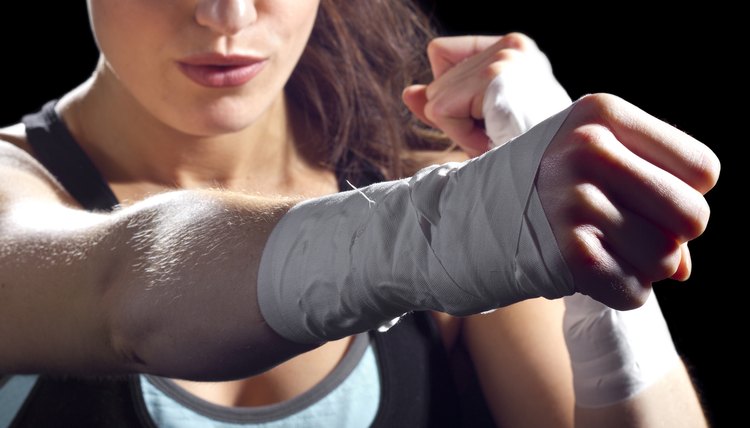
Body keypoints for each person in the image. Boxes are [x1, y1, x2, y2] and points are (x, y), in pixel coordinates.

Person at [0, 1, 719, 427]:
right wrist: (449, 226)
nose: (227, 14)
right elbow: (124, 291)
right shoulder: (14, 188)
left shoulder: (432, 182)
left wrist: (607, 287)